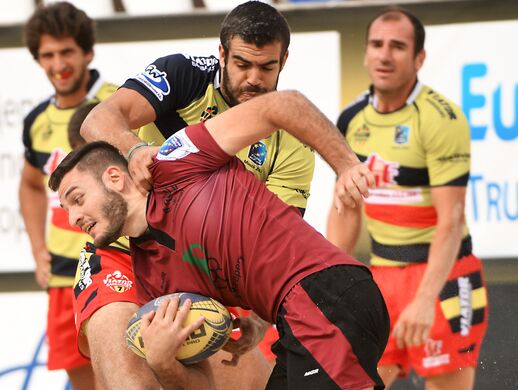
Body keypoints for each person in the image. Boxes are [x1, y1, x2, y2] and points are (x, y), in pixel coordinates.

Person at [50, 90, 389, 390]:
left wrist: (346, 165)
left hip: (327, 296)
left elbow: (284, 104)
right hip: (296, 317)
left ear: (114, 177)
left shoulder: (176, 159)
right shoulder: (151, 278)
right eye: (65, 209)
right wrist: (163, 363)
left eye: (77, 198)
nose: (73, 218)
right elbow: (201, 386)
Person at [77, 0, 313, 365]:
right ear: (221, 54)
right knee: (131, 376)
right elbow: (98, 120)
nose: (253, 78)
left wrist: (258, 318)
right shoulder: (185, 75)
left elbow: (279, 243)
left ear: (284, 61)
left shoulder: (294, 141)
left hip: (205, 278)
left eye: (266, 67)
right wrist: (136, 148)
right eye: (241, 64)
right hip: (126, 253)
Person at [326, 7, 488, 390]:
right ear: (365, 53)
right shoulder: (350, 120)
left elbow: (451, 219)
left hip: (445, 277)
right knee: (357, 383)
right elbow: (346, 207)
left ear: (419, 58)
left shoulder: (440, 118)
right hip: (381, 277)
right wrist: (329, 283)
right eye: (377, 45)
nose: (384, 55)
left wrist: (423, 299)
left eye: (397, 46)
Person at [67, 103, 273, 389]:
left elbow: (268, 249)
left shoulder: (278, 152)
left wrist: (261, 321)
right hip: (117, 257)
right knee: (130, 381)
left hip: (184, 252)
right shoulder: (156, 94)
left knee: (254, 381)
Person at [18, 2, 118, 388]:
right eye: (48, 55)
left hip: (116, 261)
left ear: (87, 52)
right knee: (84, 382)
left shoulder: (119, 101)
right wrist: (37, 249)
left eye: (66, 52)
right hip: (64, 273)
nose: (58, 63)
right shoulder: (37, 121)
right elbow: (29, 184)